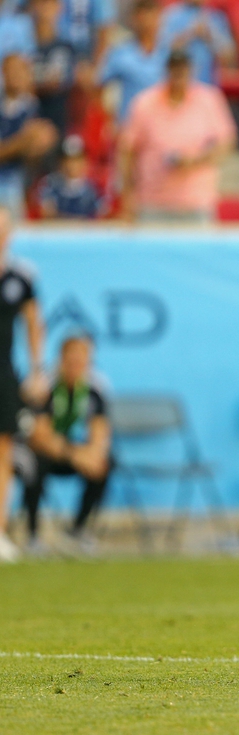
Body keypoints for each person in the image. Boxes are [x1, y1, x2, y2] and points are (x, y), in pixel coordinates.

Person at [116, 48, 235, 222]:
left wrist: (195, 160)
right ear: (167, 71)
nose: (179, 74)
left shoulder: (208, 100)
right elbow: (127, 150)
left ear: (191, 70)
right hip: (153, 201)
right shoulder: (146, 102)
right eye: (175, 69)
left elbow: (225, 144)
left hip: (196, 201)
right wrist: (127, 196)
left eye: (183, 69)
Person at [20, 333, 111, 553]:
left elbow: (100, 431)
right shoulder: (44, 386)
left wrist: (93, 453)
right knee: (35, 463)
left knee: (105, 463)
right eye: (71, 360)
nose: (76, 366)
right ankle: (33, 535)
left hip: (70, 452)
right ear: (61, 359)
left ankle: (78, 530)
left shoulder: (95, 388)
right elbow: (40, 437)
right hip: (43, 451)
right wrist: (74, 454)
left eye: (82, 360)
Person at [0, 206, 46, 562]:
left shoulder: (22, 275)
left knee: (3, 453)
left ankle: (0, 530)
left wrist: (37, 369)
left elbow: (33, 323)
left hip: (4, 372)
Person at [0, 52, 57, 215]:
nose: (14, 76)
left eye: (19, 70)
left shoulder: (32, 107)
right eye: (9, 71)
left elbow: (34, 154)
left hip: (16, 186)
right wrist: (22, 142)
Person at [97, 0, 165, 122]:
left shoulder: (169, 54)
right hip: (130, 128)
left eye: (152, 17)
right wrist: (109, 118)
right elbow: (98, 86)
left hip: (161, 127)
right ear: (134, 20)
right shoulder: (120, 53)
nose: (148, 23)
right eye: (143, 17)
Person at [158, 0, 234, 86]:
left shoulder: (216, 17)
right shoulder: (171, 15)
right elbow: (161, 52)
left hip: (208, 85)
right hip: (178, 85)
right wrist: (191, 33)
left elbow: (229, 58)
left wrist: (210, 36)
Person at [29, 0, 76, 136]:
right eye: (40, 3)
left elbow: (57, 81)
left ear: (58, 7)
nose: (44, 8)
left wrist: (30, 84)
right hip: (26, 122)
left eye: (49, 3)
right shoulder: (22, 46)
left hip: (57, 121)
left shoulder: (64, 47)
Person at [36, 133, 100, 218]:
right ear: (60, 162)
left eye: (76, 159)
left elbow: (101, 217)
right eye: (68, 160)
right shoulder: (50, 184)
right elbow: (47, 214)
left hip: (88, 231)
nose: (72, 165)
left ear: (85, 161)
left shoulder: (94, 188)